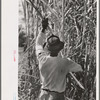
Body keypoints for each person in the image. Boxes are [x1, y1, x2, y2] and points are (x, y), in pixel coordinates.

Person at [35, 18, 83, 100]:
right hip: (56, 97)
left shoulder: (41, 58)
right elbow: (80, 68)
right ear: (59, 49)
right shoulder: (65, 62)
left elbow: (38, 43)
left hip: (43, 95)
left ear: (48, 48)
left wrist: (43, 28)